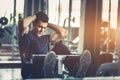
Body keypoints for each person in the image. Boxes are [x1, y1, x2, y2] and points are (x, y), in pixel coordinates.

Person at [18, 11, 68, 78]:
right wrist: (36, 16)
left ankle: (75, 66)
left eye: (44, 28)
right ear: (34, 24)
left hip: (46, 69)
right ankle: (46, 69)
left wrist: (47, 24)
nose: (42, 30)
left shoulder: (46, 38)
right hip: (30, 70)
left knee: (60, 46)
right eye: (40, 26)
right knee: (35, 44)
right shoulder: (26, 35)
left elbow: (64, 33)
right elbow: (23, 23)